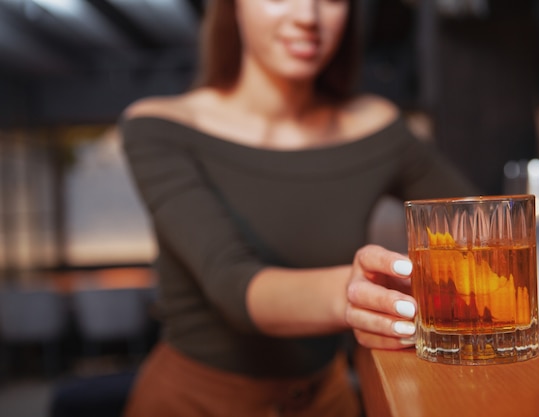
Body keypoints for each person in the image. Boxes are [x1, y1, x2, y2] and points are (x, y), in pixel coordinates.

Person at [119, 0, 477, 416]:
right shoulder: (160, 127)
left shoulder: (375, 125)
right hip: (194, 403)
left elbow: (476, 224)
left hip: (327, 400)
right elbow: (234, 287)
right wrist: (359, 290)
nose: (308, 17)